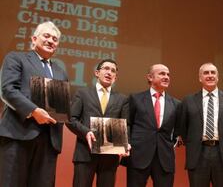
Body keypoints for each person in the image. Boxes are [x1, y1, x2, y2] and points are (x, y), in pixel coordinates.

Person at [0, 21, 68, 187]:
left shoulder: (60, 71)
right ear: (34, 38)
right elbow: (8, 90)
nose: (51, 40)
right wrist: (33, 111)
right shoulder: (16, 58)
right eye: (46, 36)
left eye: (55, 39)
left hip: (49, 140)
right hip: (18, 134)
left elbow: (62, 106)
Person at [66, 59, 129, 187]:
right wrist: (86, 132)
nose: (109, 72)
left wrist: (126, 143)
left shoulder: (122, 99)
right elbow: (71, 119)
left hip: (110, 156)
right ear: (97, 72)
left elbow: (126, 125)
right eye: (106, 68)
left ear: (115, 77)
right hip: (85, 153)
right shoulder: (82, 93)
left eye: (113, 71)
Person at [180, 63, 223, 187]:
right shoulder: (188, 100)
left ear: (218, 77)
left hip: (222, 155)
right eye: (206, 73)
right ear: (200, 78)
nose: (210, 75)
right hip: (198, 154)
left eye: (213, 72)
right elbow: (183, 128)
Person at [123, 64, 181, 187]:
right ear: (150, 77)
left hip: (164, 159)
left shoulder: (176, 104)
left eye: (168, 74)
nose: (166, 77)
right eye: (162, 74)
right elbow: (127, 124)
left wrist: (169, 144)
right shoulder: (135, 99)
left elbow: (178, 130)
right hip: (138, 156)